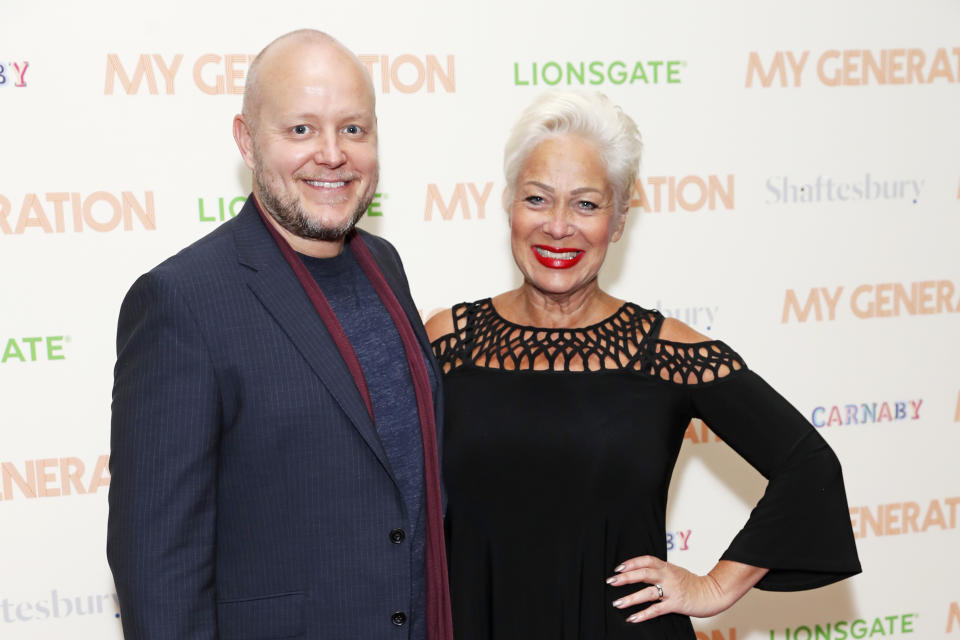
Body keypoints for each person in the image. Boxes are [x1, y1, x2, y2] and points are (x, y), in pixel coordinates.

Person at [425, 90, 861, 639]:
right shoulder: (447, 340)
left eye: (586, 204)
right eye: (537, 199)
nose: (558, 226)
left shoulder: (670, 354)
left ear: (619, 220)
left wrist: (715, 585)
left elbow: (810, 467)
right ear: (509, 204)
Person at [108, 30, 452, 640]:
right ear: (245, 139)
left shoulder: (385, 264)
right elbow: (157, 571)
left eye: (354, 129)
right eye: (300, 130)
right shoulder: (182, 302)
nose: (332, 154)